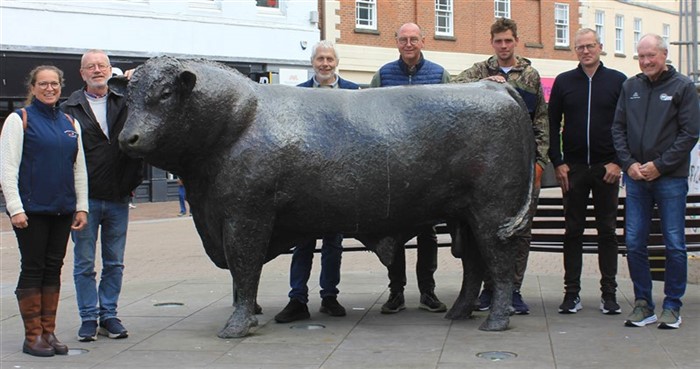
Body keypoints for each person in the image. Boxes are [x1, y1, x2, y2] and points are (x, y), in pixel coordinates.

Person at [452, 17, 549, 315]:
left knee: (518, 229)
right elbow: (451, 86)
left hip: (520, 165)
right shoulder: (482, 69)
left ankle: (513, 290)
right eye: (498, 41)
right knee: (484, 228)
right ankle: (488, 289)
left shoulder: (531, 76)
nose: (504, 46)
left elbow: (542, 122)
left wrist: (540, 162)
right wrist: (483, 83)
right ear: (492, 43)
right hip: (487, 168)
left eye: (508, 40)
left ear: (516, 41)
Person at [612, 33, 700, 329]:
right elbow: (618, 129)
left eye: (652, 55)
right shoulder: (630, 87)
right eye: (641, 56)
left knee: (674, 244)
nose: (646, 61)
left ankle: (672, 305)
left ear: (664, 55)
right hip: (636, 179)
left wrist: (660, 166)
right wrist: (630, 164)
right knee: (634, 242)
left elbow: (689, 134)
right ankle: (643, 304)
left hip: (669, 180)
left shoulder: (683, 87)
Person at [0, 66, 88, 356]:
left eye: (54, 84)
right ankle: (32, 336)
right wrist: (14, 208)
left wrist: (82, 207)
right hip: (31, 211)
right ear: (33, 87)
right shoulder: (19, 120)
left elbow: (79, 169)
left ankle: (48, 333)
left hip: (63, 209)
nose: (49, 89)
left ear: (61, 87)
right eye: (43, 84)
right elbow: (8, 168)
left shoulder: (69, 122)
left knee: (54, 268)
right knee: (33, 268)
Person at [274, 41, 359, 323]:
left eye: (329, 59)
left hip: (338, 180)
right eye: (320, 59)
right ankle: (297, 299)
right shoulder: (296, 95)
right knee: (303, 243)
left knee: (333, 243)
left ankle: (329, 297)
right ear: (313, 62)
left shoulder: (354, 92)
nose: (325, 63)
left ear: (337, 62)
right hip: (305, 183)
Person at [62, 49, 144, 341]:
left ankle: (108, 314)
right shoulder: (69, 108)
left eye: (102, 65)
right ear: (82, 73)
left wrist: (137, 76)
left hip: (119, 196)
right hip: (84, 201)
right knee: (84, 263)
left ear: (111, 70)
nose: (97, 70)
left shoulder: (126, 100)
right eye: (90, 67)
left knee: (114, 263)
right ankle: (88, 317)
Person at [370, 23, 451, 315]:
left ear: (423, 40)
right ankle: (396, 292)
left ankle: (427, 292)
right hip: (392, 170)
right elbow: (370, 121)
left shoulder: (440, 75)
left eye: (413, 39)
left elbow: (447, 122)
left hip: (428, 170)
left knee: (427, 233)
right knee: (394, 232)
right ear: (396, 41)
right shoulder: (383, 75)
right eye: (403, 39)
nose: (408, 44)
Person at [548, 28, 627, 315]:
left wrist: (618, 162)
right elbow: (551, 122)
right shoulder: (564, 82)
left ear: (600, 47)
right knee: (573, 231)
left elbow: (627, 125)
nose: (585, 51)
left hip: (607, 168)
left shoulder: (618, 81)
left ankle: (609, 294)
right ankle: (572, 294)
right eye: (580, 47)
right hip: (574, 169)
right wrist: (558, 162)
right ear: (575, 50)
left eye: (590, 46)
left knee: (607, 231)